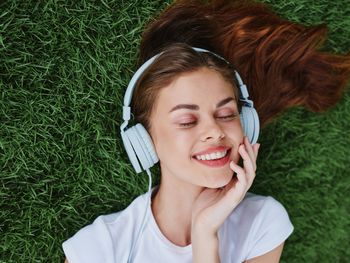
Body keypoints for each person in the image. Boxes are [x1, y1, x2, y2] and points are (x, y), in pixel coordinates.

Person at [62, 0, 350, 262]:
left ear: (246, 123)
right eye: (187, 120)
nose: (214, 131)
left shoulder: (262, 222)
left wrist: (205, 235)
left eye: (226, 114)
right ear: (144, 141)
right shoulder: (97, 249)